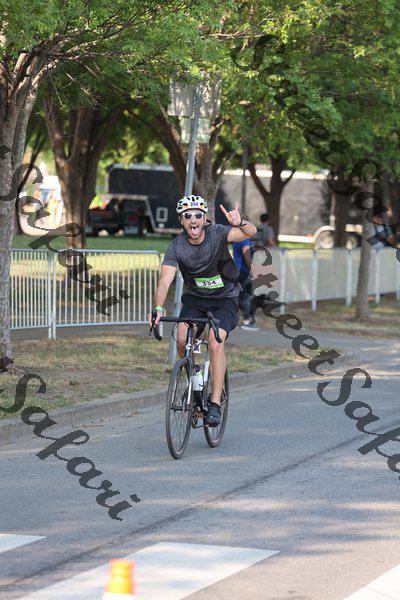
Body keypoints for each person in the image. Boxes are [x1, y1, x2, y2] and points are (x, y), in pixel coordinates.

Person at [148, 195, 257, 427]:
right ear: (181, 221)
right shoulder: (176, 246)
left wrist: (239, 223)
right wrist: (157, 307)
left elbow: (250, 232)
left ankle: (215, 404)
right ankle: (195, 378)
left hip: (225, 299)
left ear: (205, 218)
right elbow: (165, 280)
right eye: (187, 216)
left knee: (215, 343)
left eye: (198, 215)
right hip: (195, 300)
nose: (193, 219)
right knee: (181, 337)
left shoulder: (217, 233)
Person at [232, 226, 259, 331]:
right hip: (243, 272)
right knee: (246, 296)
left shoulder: (236, 238)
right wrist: (253, 270)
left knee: (235, 296)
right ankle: (246, 321)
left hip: (235, 270)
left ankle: (233, 322)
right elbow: (246, 255)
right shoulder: (245, 239)